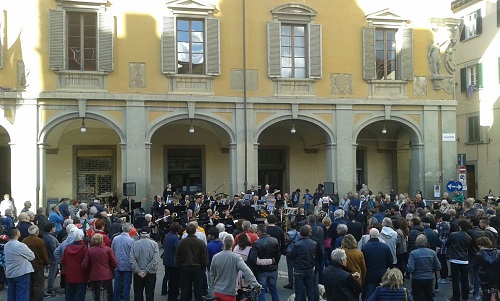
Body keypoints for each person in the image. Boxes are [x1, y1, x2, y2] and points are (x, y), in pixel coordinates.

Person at [211, 235, 261, 301]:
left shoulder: (215, 257)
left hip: (218, 292)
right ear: (233, 243)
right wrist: (256, 285)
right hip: (230, 292)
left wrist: (213, 286)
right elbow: (246, 271)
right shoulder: (236, 258)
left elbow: (212, 274)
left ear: (223, 243)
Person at [175, 223, 208, 301]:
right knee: (198, 290)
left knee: (185, 289)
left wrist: (179, 266)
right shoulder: (200, 243)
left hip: (184, 267)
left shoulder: (182, 242)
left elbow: (177, 256)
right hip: (197, 268)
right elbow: (204, 257)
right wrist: (203, 267)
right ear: (195, 231)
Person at [248, 223, 281, 301]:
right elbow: (278, 254)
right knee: (273, 290)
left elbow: (252, 259)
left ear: (259, 231)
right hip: (272, 269)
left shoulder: (257, 243)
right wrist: (275, 263)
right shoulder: (274, 240)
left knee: (261, 291)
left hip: (262, 270)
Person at [82, 233, 117, 301]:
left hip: (94, 276)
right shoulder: (108, 250)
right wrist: (110, 269)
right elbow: (115, 263)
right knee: (108, 295)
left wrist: (90, 269)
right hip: (106, 275)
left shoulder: (90, 251)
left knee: (96, 295)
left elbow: (84, 265)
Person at [407, 234, 441, 301]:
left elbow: (410, 268)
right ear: (426, 242)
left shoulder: (413, 253)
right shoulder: (432, 253)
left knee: (418, 297)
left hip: (417, 278)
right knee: (429, 296)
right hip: (429, 278)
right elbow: (438, 267)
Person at [361, 228, 393, 300]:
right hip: (383, 273)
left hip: (370, 274)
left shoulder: (365, 247)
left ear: (370, 236)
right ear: (378, 236)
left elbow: (363, 262)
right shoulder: (385, 247)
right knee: (383, 294)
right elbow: (390, 261)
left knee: (370, 294)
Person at [4, 227, 35, 301]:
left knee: (11, 293)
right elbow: (32, 256)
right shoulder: (20, 245)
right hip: (21, 272)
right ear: (17, 234)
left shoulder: (6, 245)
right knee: (22, 294)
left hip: (10, 272)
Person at [445, 218, 473, 301]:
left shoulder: (453, 235)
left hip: (454, 259)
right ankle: (465, 296)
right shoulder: (469, 237)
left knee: (455, 279)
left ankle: (456, 297)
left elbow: (447, 244)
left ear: (460, 226)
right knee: (465, 279)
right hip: (464, 259)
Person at [130, 226, 160, 301]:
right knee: (150, 294)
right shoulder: (154, 244)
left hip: (137, 273)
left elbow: (132, 259)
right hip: (150, 273)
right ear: (149, 233)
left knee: (138, 294)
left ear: (140, 233)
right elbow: (155, 260)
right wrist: (146, 270)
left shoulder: (135, 244)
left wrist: (138, 271)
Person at [290, 225, 317, 301]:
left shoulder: (297, 244)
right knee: (310, 290)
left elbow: (292, 256)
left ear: (300, 233)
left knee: (298, 290)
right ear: (309, 233)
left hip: (299, 268)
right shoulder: (314, 243)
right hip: (309, 268)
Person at [22, 225, 49, 301]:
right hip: (38, 265)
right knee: (39, 285)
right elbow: (44, 254)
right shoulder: (40, 241)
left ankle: (30, 298)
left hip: (28, 264)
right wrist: (47, 263)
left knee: (30, 284)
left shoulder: (24, 240)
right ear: (37, 232)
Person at [61, 229, 88, 301]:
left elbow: (63, 260)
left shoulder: (67, 248)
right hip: (81, 274)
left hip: (69, 274)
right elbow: (86, 263)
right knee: (80, 294)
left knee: (69, 294)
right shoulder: (84, 249)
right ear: (82, 237)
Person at [111, 222, 135, 301]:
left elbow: (112, 250)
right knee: (126, 284)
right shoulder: (131, 240)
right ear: (130, 229)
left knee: (117, 283)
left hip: (117, 264)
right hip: (127, 264)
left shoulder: (115, 238)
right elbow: (133, 254)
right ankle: (126, 299)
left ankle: (116, 299)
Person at [475, 237, 500, 301]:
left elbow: (475, 268)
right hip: (497, 278)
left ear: (479, 245)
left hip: (485, 279)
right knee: (496, 293)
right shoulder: (498, 253)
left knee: (486, 294)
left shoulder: (478, 255)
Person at [162, 222, 181, 301]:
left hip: (167, 261)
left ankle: (169, 295)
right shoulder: (175, 238)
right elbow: (178, 249)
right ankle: (173, 297)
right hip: (173, 262)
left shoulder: (167, 236)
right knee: (175, 282)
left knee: (169, 280)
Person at [42, 222, 60, 295]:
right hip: (52, 257)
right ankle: (50, 287)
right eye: (54, 227)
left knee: (54, 271)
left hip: (49, 256)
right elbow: (53, 249)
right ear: (51, 229)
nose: (55, 228)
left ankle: (51, 286)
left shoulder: (45, 236)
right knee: (53, 272)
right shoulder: (51, 238)